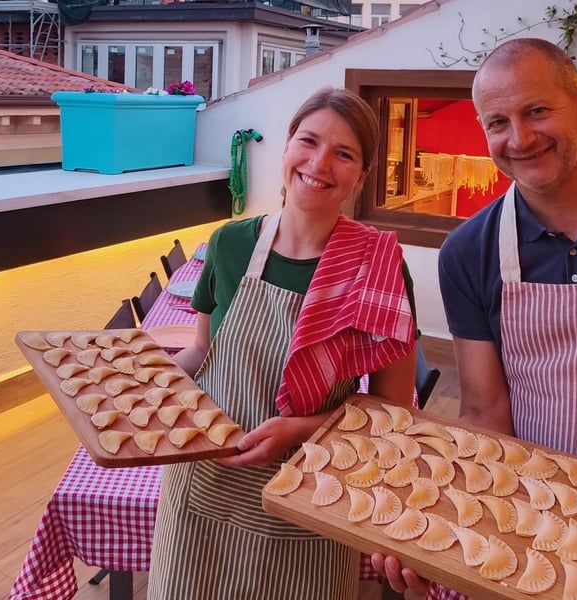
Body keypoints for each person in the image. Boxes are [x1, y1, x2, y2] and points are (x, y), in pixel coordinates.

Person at [373, 37, 577, 600]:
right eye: (498, 122)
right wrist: (449, 529)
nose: (520, 139)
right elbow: (484, 412)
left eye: (537, 110)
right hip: (543, 529)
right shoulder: (469, 252)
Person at [147, 86, 418, 599]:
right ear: (287, 144)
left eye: (344, 154)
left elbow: (392, 413)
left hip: (308, 499)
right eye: (308, 141)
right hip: (202, 489)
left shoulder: (378, 268)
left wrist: (300, 430)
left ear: (362, 176)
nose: (319, 163)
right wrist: (135, 389)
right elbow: (202, 351)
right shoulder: (230, 243)